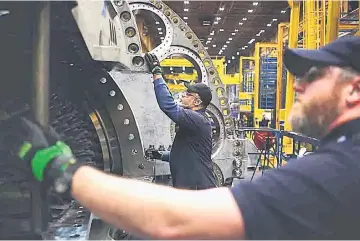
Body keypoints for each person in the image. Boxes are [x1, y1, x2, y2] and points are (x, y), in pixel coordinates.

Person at [8, 35, 360, 239]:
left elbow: (173, 220)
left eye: (313, 75)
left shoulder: (339, 172)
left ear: (353, 90)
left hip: (195, 186)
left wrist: (61, 170)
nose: (297, 84)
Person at [144, 53, 217, 190]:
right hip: (193, 188)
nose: (183, 95)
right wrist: (161, 155)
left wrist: (157, 74)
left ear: (197, 101)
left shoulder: (197, 119)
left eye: (188, 94)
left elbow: (168, 106)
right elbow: (186, 155)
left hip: (197, 190)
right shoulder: (194, 121)